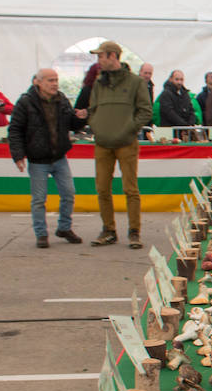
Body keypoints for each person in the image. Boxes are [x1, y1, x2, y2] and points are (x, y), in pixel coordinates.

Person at [8, 68, 88, 248]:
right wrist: (18, 155)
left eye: (56, 80)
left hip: (59, 157)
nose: (54, 84)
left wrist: (82, 118)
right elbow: (15, 130)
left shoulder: (62, 100)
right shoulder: (25, 102)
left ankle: (64, 228)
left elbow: (72, 124)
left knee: (69, 193)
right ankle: (41, 234)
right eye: (50, 80)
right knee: (39, 199)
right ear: (38, 82)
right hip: (37, 160)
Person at [85, 40, 151, 249]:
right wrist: (97, 127)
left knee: (130, 189)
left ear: (113, 56)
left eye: (101, 56)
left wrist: (129, 129)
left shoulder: (135, 83)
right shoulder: (98, 83)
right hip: (103, 144)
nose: (99, 61)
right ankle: (109, 230)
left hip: (126, 143)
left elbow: (145, 111)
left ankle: (134, 232)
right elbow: (92, 109)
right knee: (102, 188)